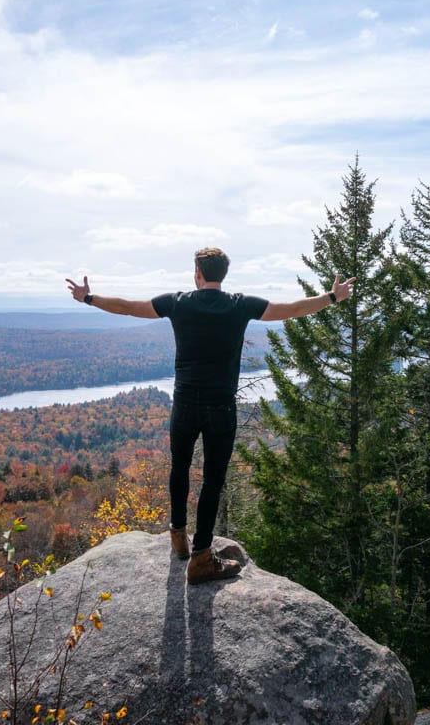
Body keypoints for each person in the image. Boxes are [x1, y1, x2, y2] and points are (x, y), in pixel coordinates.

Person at [66, 247, 354, 584]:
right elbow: (291, 309)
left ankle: (178, 535)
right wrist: (333, 296)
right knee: (213, 481)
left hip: (184, 403)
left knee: (180, 468)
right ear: (221, 274)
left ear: (198, 273)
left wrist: (89, 299)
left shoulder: (178, 302)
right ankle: (201, 554)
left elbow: (129, 308)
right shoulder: (240, 304)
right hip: (221, 407)